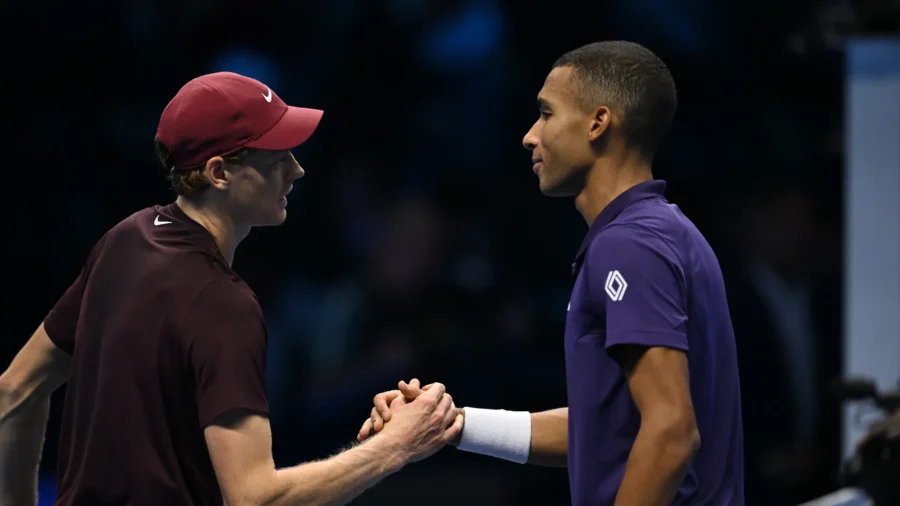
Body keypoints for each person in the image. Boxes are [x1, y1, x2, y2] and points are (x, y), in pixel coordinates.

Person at [0, 71, 462, 506]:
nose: (297, 170)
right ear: (219, 173)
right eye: (278, 155)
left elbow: (15, 389)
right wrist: (396, 446)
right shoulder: (223, 303)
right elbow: (256, 498)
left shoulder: (126, 238)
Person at [359, 41, 745, 505]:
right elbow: (603, 433)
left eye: (546, 113)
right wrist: (451, 423)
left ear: (598, 123)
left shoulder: (630, 245)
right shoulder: (664, 233)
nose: (529, 135)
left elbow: (671, 431)